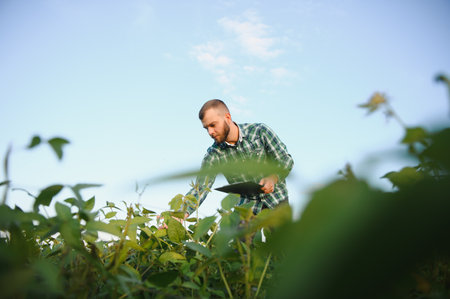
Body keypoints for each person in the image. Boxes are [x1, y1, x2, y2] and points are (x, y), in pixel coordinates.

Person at [185, 99, 294, 215]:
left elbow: (285, 159)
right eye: (206, 128)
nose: (210, 132)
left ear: (227, 117)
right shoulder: (214, 154)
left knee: (284, 233)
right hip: (246, 208)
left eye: (213, 125)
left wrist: (273, 178)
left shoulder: (259, 131)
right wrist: (179, 215)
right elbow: (200, 188)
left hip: (276, 201)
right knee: (239, 232)